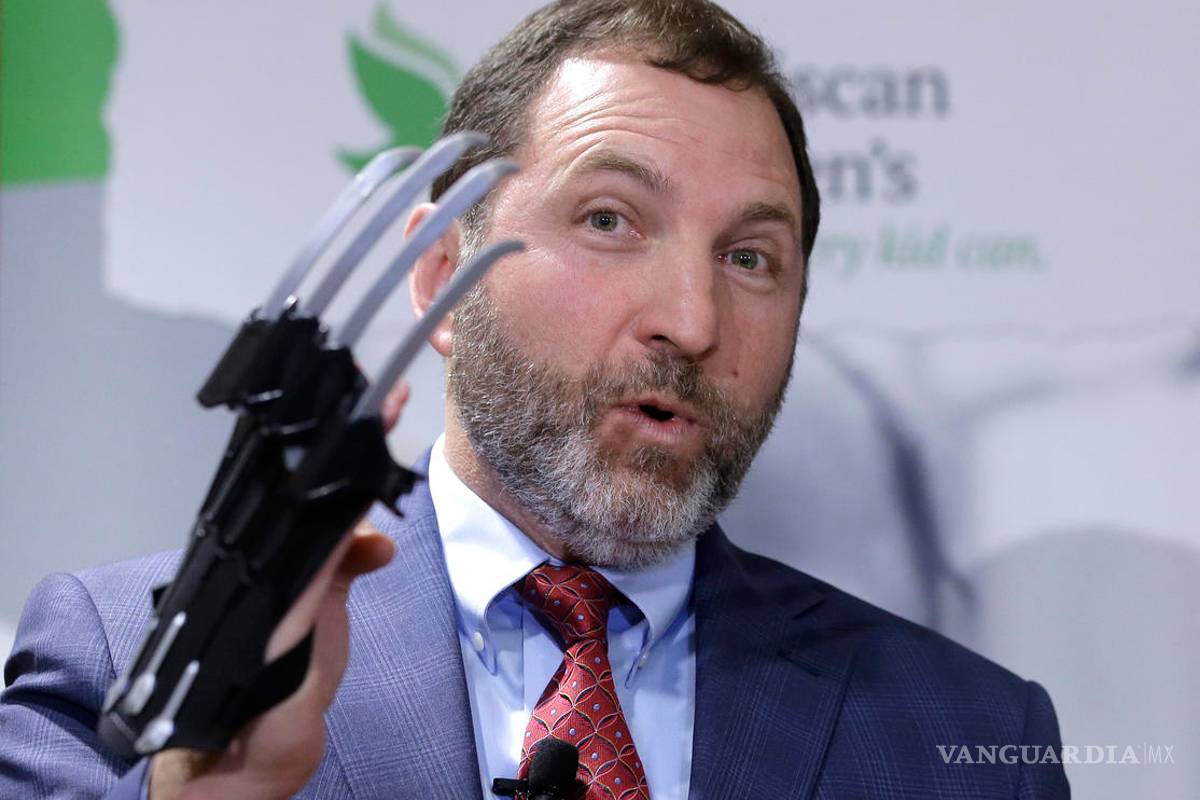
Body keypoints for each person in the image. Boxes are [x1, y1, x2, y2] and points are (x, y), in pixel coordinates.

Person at [0, 1, 1070, 798]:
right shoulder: (120, 660)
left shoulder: (972, 738)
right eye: (609, 220)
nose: (692, 320)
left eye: (750, 257)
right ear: (441, 278)